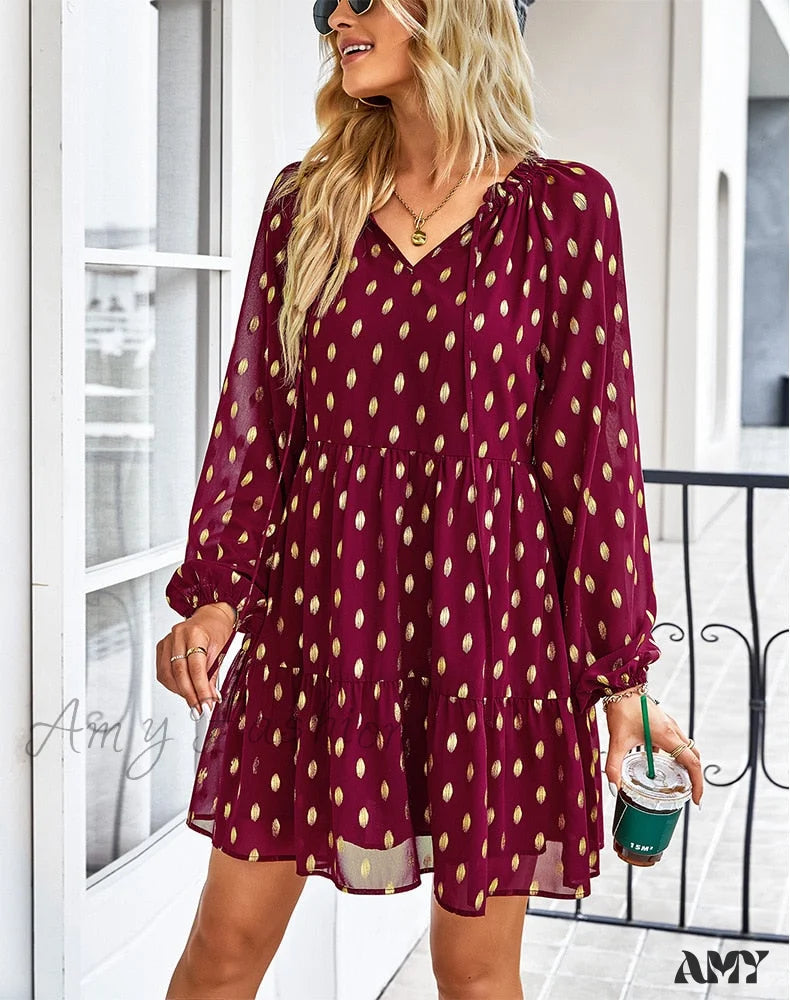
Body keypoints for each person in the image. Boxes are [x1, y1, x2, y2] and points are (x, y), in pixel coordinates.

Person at [157, 1, 705, 997]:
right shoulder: (307, 202)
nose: (335, 16)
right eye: (326, 4)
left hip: (490, 632)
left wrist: (621, 683)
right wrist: (217, 594)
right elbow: (261, 424)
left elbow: (593, 465)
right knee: (222, 951)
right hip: (318, 621)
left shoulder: (564, 210)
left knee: (475, 975)